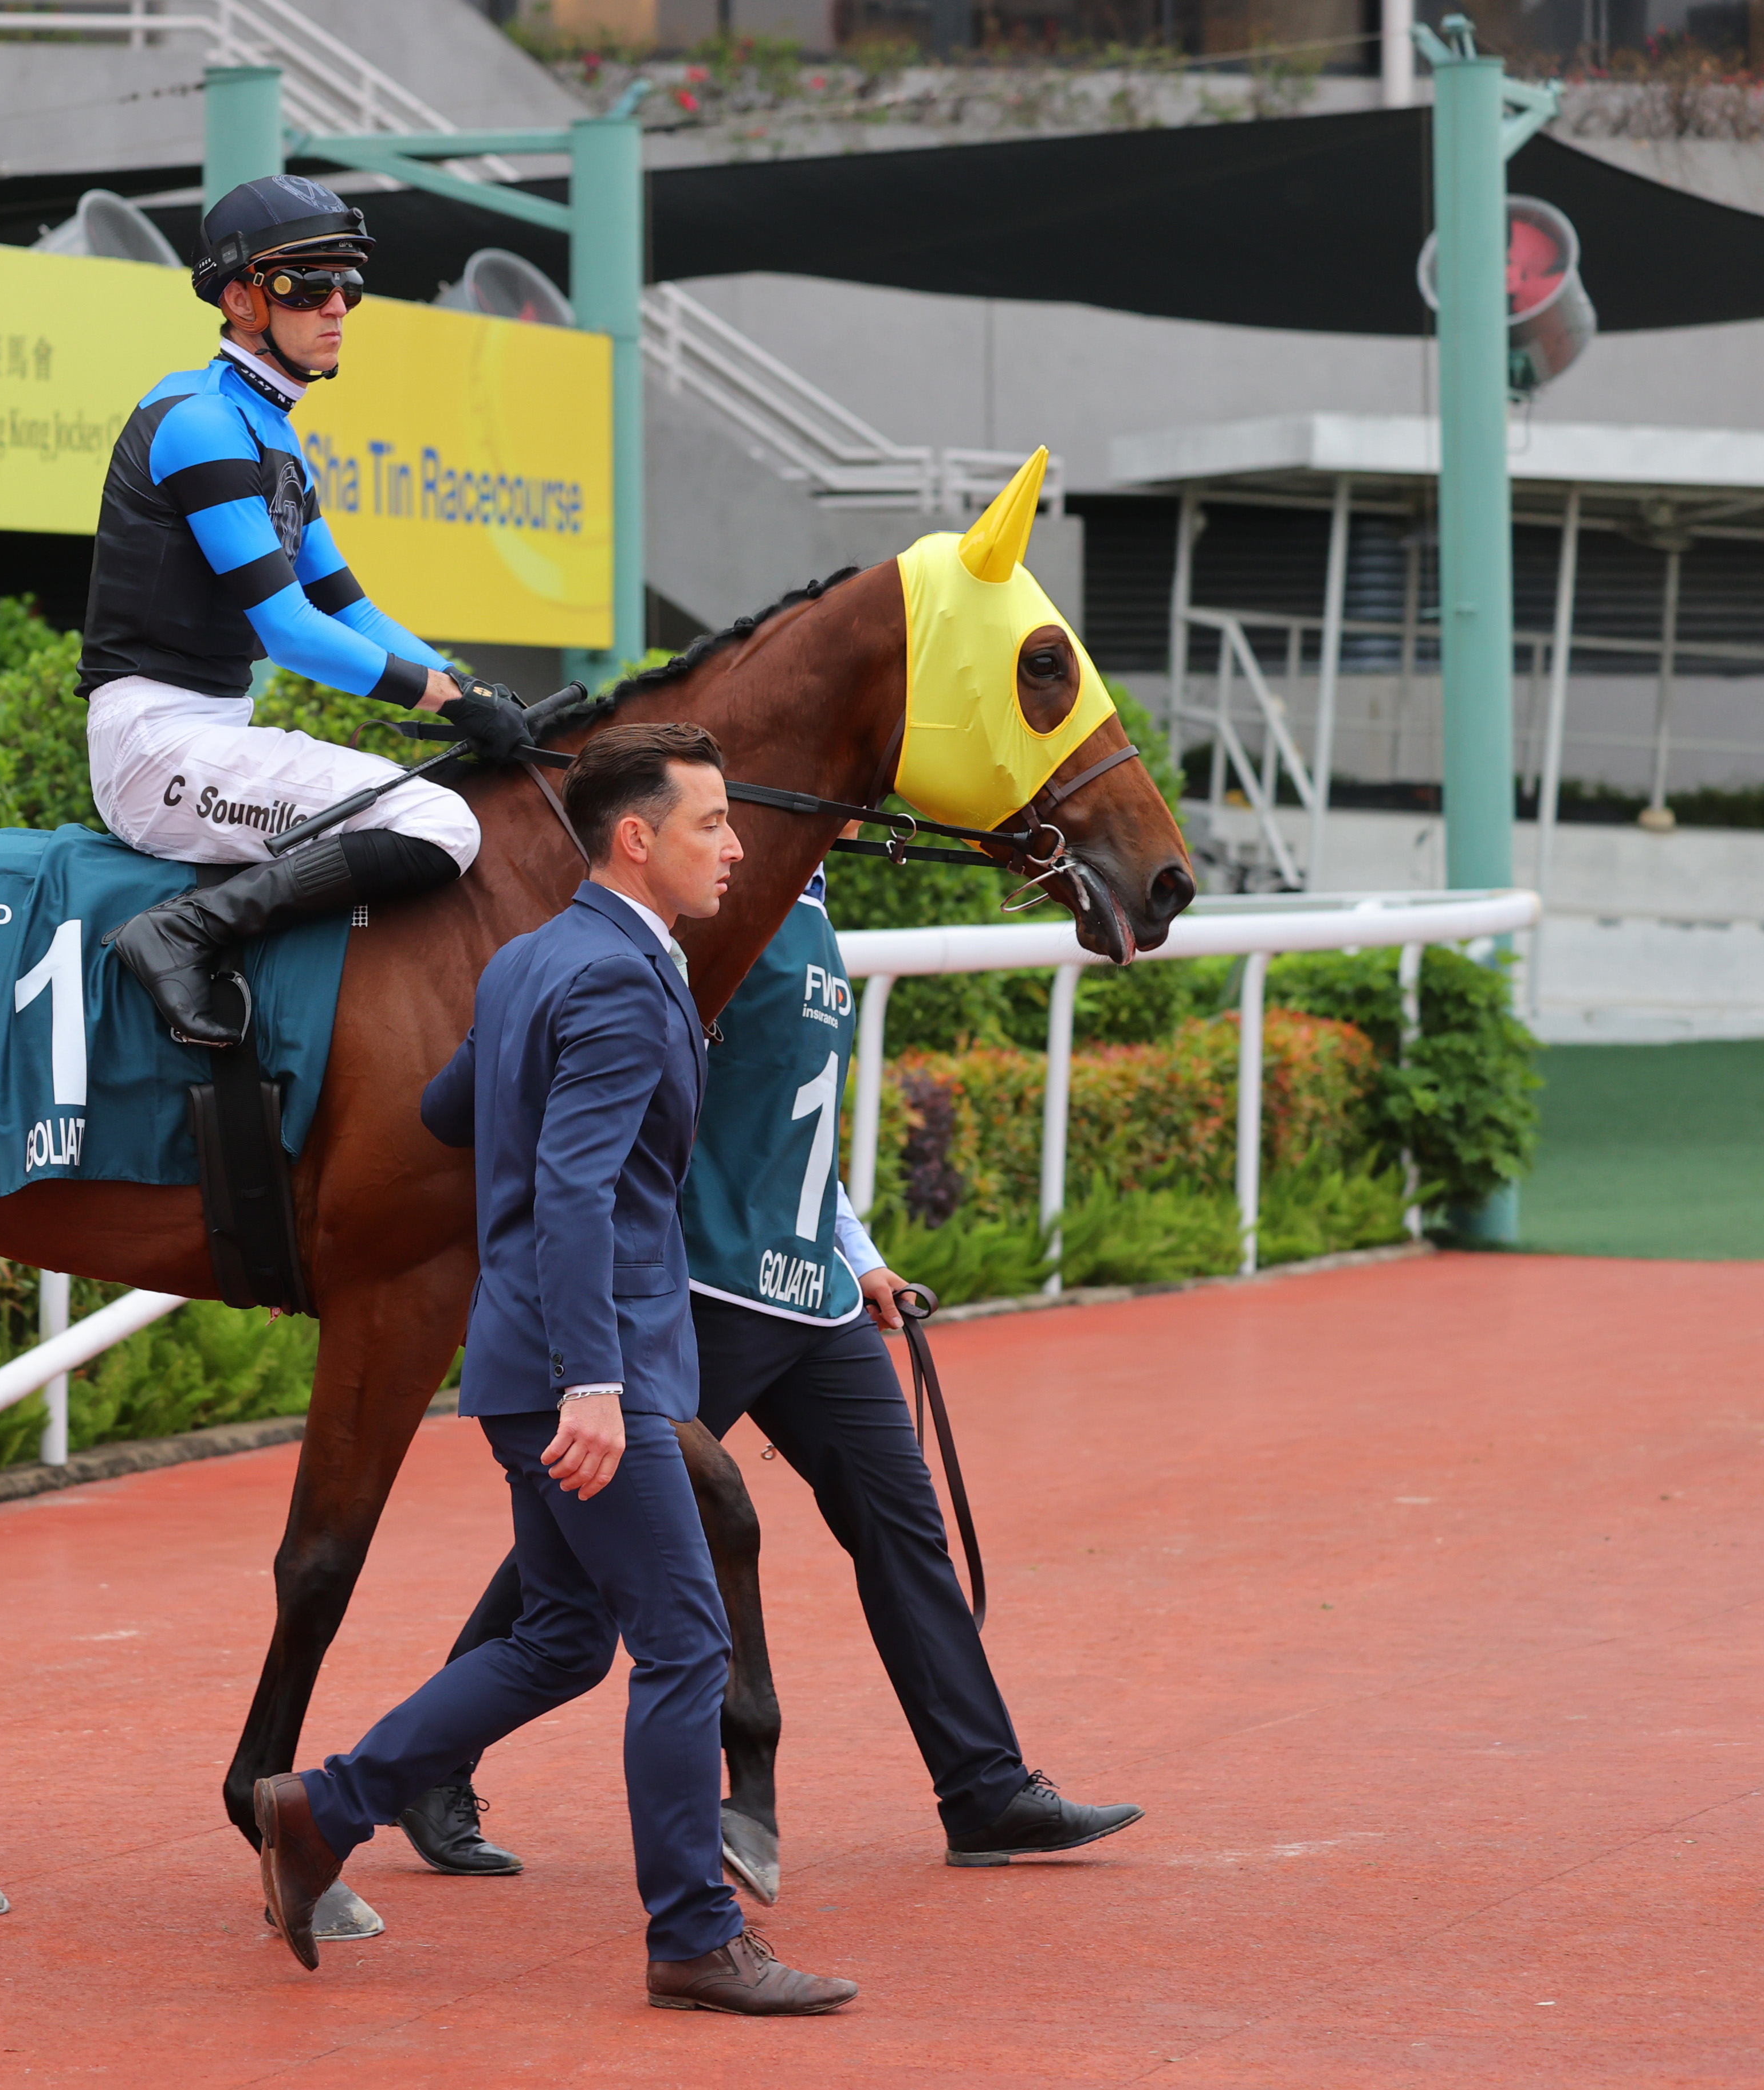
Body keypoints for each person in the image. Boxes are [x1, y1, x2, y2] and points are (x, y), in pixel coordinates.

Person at [395, 830, 1144, 1891]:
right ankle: (432, 1760)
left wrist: (860, 1255)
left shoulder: (812, 900)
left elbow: (803, 1117)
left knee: (902, 1523)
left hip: (814, 1294)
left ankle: (984, 1788)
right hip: (702, 1286)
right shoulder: (705, 916)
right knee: (590, 1522)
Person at [250, 722, 858, 2017]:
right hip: (597, 1372)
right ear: (637, 840)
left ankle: (325, 1808)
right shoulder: (629, 984)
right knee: (688, 1647)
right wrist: (598, 1382)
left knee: (565, 1639)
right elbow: (578, 1188)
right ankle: (693, 1936)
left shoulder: (531, 959)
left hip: (525, 1357)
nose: (739, 846)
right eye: (711, 825)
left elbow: (447, 1113)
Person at [77, 173, 536, 1048]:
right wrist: (440, 702)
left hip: (211, 732)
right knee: (438, 822)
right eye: (308, 286)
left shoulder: (273, 431)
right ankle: (182, 931)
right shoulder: (201, 421)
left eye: (348, 287)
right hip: (154, 747)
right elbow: (289, 632)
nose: (336, 307)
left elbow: (352, 612)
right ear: (244, 297)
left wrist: (471, 687)